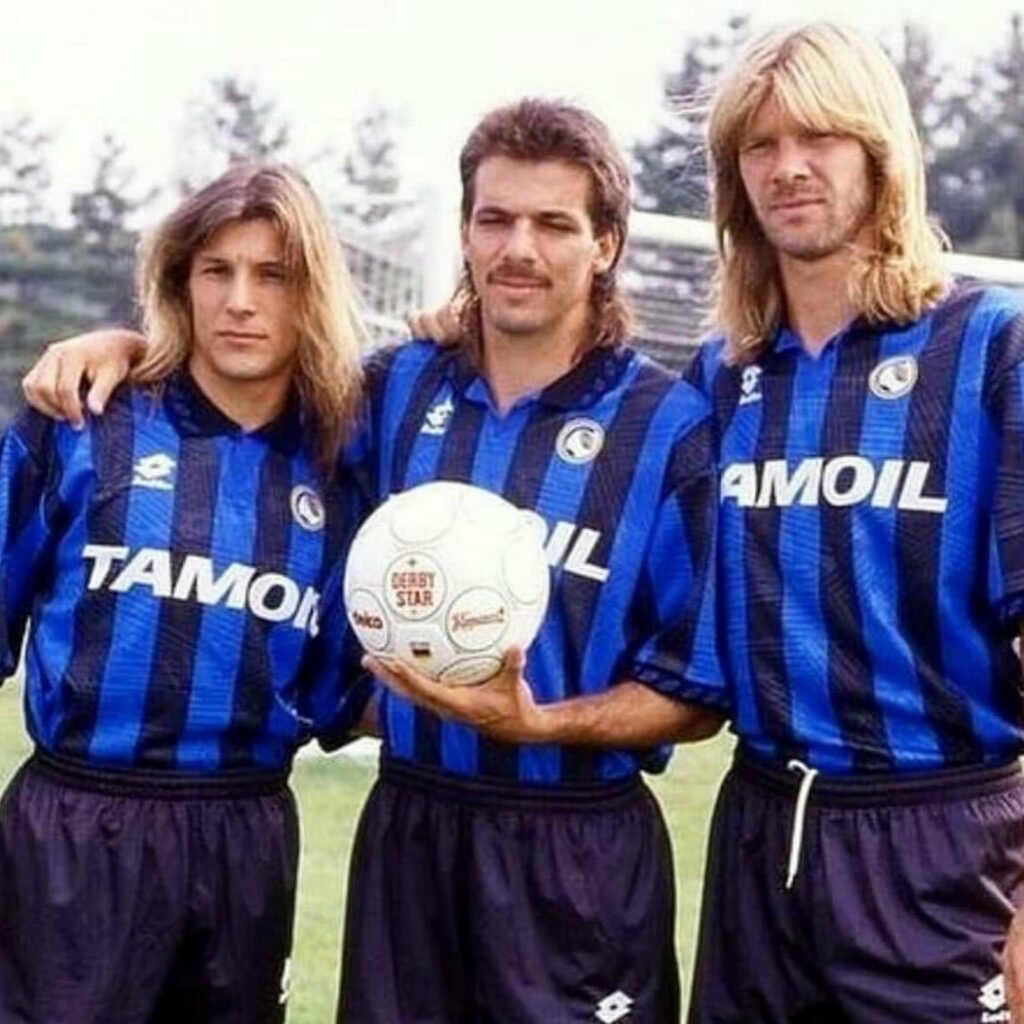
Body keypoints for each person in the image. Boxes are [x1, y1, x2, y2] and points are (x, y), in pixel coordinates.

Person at [20, 99, 727, 1024]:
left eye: (553, 224)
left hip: (579, 849)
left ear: (607, 245)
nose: (519, 247)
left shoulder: (672, 429)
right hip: (407, 833)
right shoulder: (392, 391)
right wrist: (126, 347)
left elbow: (699, 693)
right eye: (495, 218)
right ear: (465, 232)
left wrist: (540, 724)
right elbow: (238, 411)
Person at [678, 21, 1024, 1024]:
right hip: (759, 834)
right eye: (760, 145)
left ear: (879, 154)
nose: (788, 167)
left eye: (819, 137)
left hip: (941, 839)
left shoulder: (992, 350)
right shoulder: (723, 377)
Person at [0, 163, 371, 1024]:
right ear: (180, 284)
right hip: (75, 830)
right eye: (217, 271)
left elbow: (339, 691)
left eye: (272, 275)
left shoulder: (344, 469)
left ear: (312, 293)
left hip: (245, 838)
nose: (241, 301)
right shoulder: (84, 422)